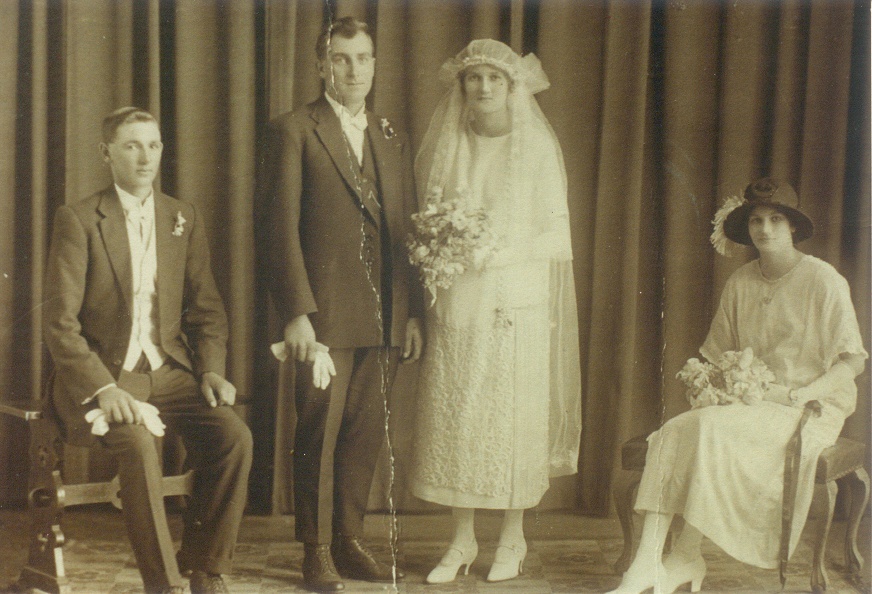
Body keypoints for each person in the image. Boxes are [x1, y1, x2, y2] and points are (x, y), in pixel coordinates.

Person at [609, 177, 868, 594]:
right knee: (675, 431)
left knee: (707, 427)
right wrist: (710, 385)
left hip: (809, 407)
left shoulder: (823, 280)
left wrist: (801, 394)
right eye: (756, 220)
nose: (765, 229)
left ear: (793, 226)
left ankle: (681, 557)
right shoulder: (741, 282)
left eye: (776, 219)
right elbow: (717, 355)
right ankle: (650, 564)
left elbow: (852, 361)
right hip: (751, 404)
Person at [42, 107, 253, 594]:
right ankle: (164, 584)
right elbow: (60, 324)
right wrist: (104, 387)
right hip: (105, 376)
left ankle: (205, 566)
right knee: (138, 446)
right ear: (106, 153)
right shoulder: (79, 219)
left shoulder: (183, 216)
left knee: (234, 438)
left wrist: (211, 371)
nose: (145, 157)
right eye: (132, 146)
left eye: (153, 145)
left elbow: (207, 310)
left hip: (169, 371)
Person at [261, 16, 424, 593]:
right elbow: (278, 229)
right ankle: (316, 548)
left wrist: (411, 311)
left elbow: (404, 227)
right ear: (320, 66)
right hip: (324, 314)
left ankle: (349, 538)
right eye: (341, 58)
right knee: (318, 432)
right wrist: (296, 313)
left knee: (365, 433)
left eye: (363, 58)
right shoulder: (293, 130)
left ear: (375, 64)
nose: (354, 70)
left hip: (385, 312)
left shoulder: (390, 133)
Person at [410, 39, 582, 584]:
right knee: (460, 420)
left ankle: (513, 537)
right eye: (473, 78)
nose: (483, 88)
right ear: (460, 85)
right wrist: (447, 247)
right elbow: (429, 224)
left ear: (513, 87)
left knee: (510, 424)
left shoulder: (535, 148)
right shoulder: (450, 145)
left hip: (515, 303)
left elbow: (558, 237)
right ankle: (461, 539)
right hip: (458, 304)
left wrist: (496, 252)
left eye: (494, 79)